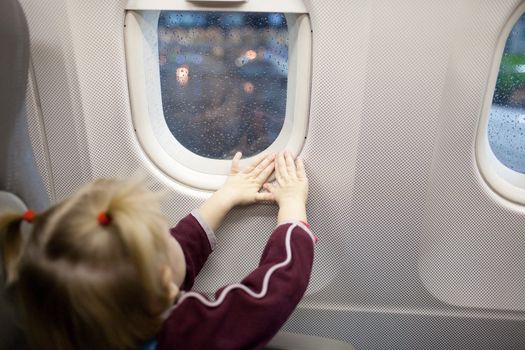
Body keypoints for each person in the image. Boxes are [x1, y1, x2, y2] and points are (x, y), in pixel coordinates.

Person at [0, 151, 316, 350]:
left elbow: (175, 250)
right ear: (167, 286)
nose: (175, 236)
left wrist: (224, 198)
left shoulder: (70, 325)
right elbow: (270, 296)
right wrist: (291, 210)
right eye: (166, 237)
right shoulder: (186, 333)